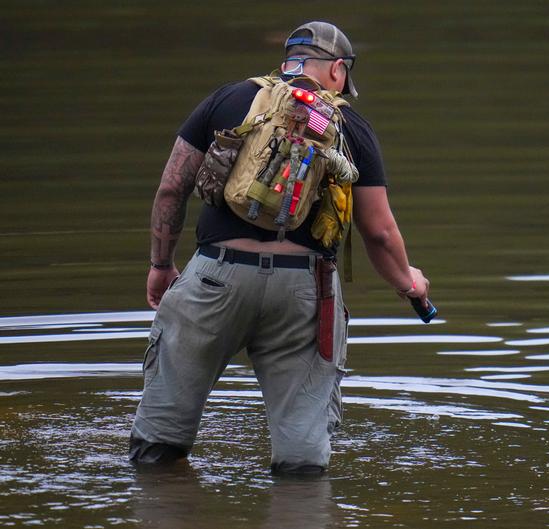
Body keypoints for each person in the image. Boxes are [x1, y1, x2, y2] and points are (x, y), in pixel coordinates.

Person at [130, 21, 430, 475]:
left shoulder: (227, 100)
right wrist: (410, 284)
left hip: (214, 279)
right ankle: (300, 501)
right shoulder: (348, 126)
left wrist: (160, 264)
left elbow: (172, 189)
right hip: (304, 292)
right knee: (302, 464)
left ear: (288, 60)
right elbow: (380, 233)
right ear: (338, 70)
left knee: (156, 448)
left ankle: (158, 498)